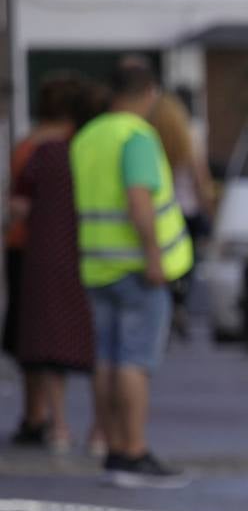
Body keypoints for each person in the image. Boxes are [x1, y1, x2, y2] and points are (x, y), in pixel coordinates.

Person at [71, 57, 194, 487]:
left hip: (97, 265)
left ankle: (110, 446)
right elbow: (139, 200)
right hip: (138, 268)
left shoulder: (87, 137)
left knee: (105, 360)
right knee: (134, 362)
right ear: (150, 93)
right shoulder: (137, 136)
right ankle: (133, 450)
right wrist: (154, 257)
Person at [5, 73, 102, 454]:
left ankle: (46, 419)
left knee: (39, 342)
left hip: (33, 253)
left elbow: (18, 204)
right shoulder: (78, 148)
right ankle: (96, 430)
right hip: (83, 252)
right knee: (93, 339)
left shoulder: (31, 148)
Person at [148, 89, 214, 341]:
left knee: (161, 267)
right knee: (186, 266)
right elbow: (200, 178)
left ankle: (166, 313)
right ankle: (179, 306)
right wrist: (208, 207)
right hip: (187, 211)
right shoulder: (189, 136)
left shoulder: (149, 136)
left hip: (159, 211)